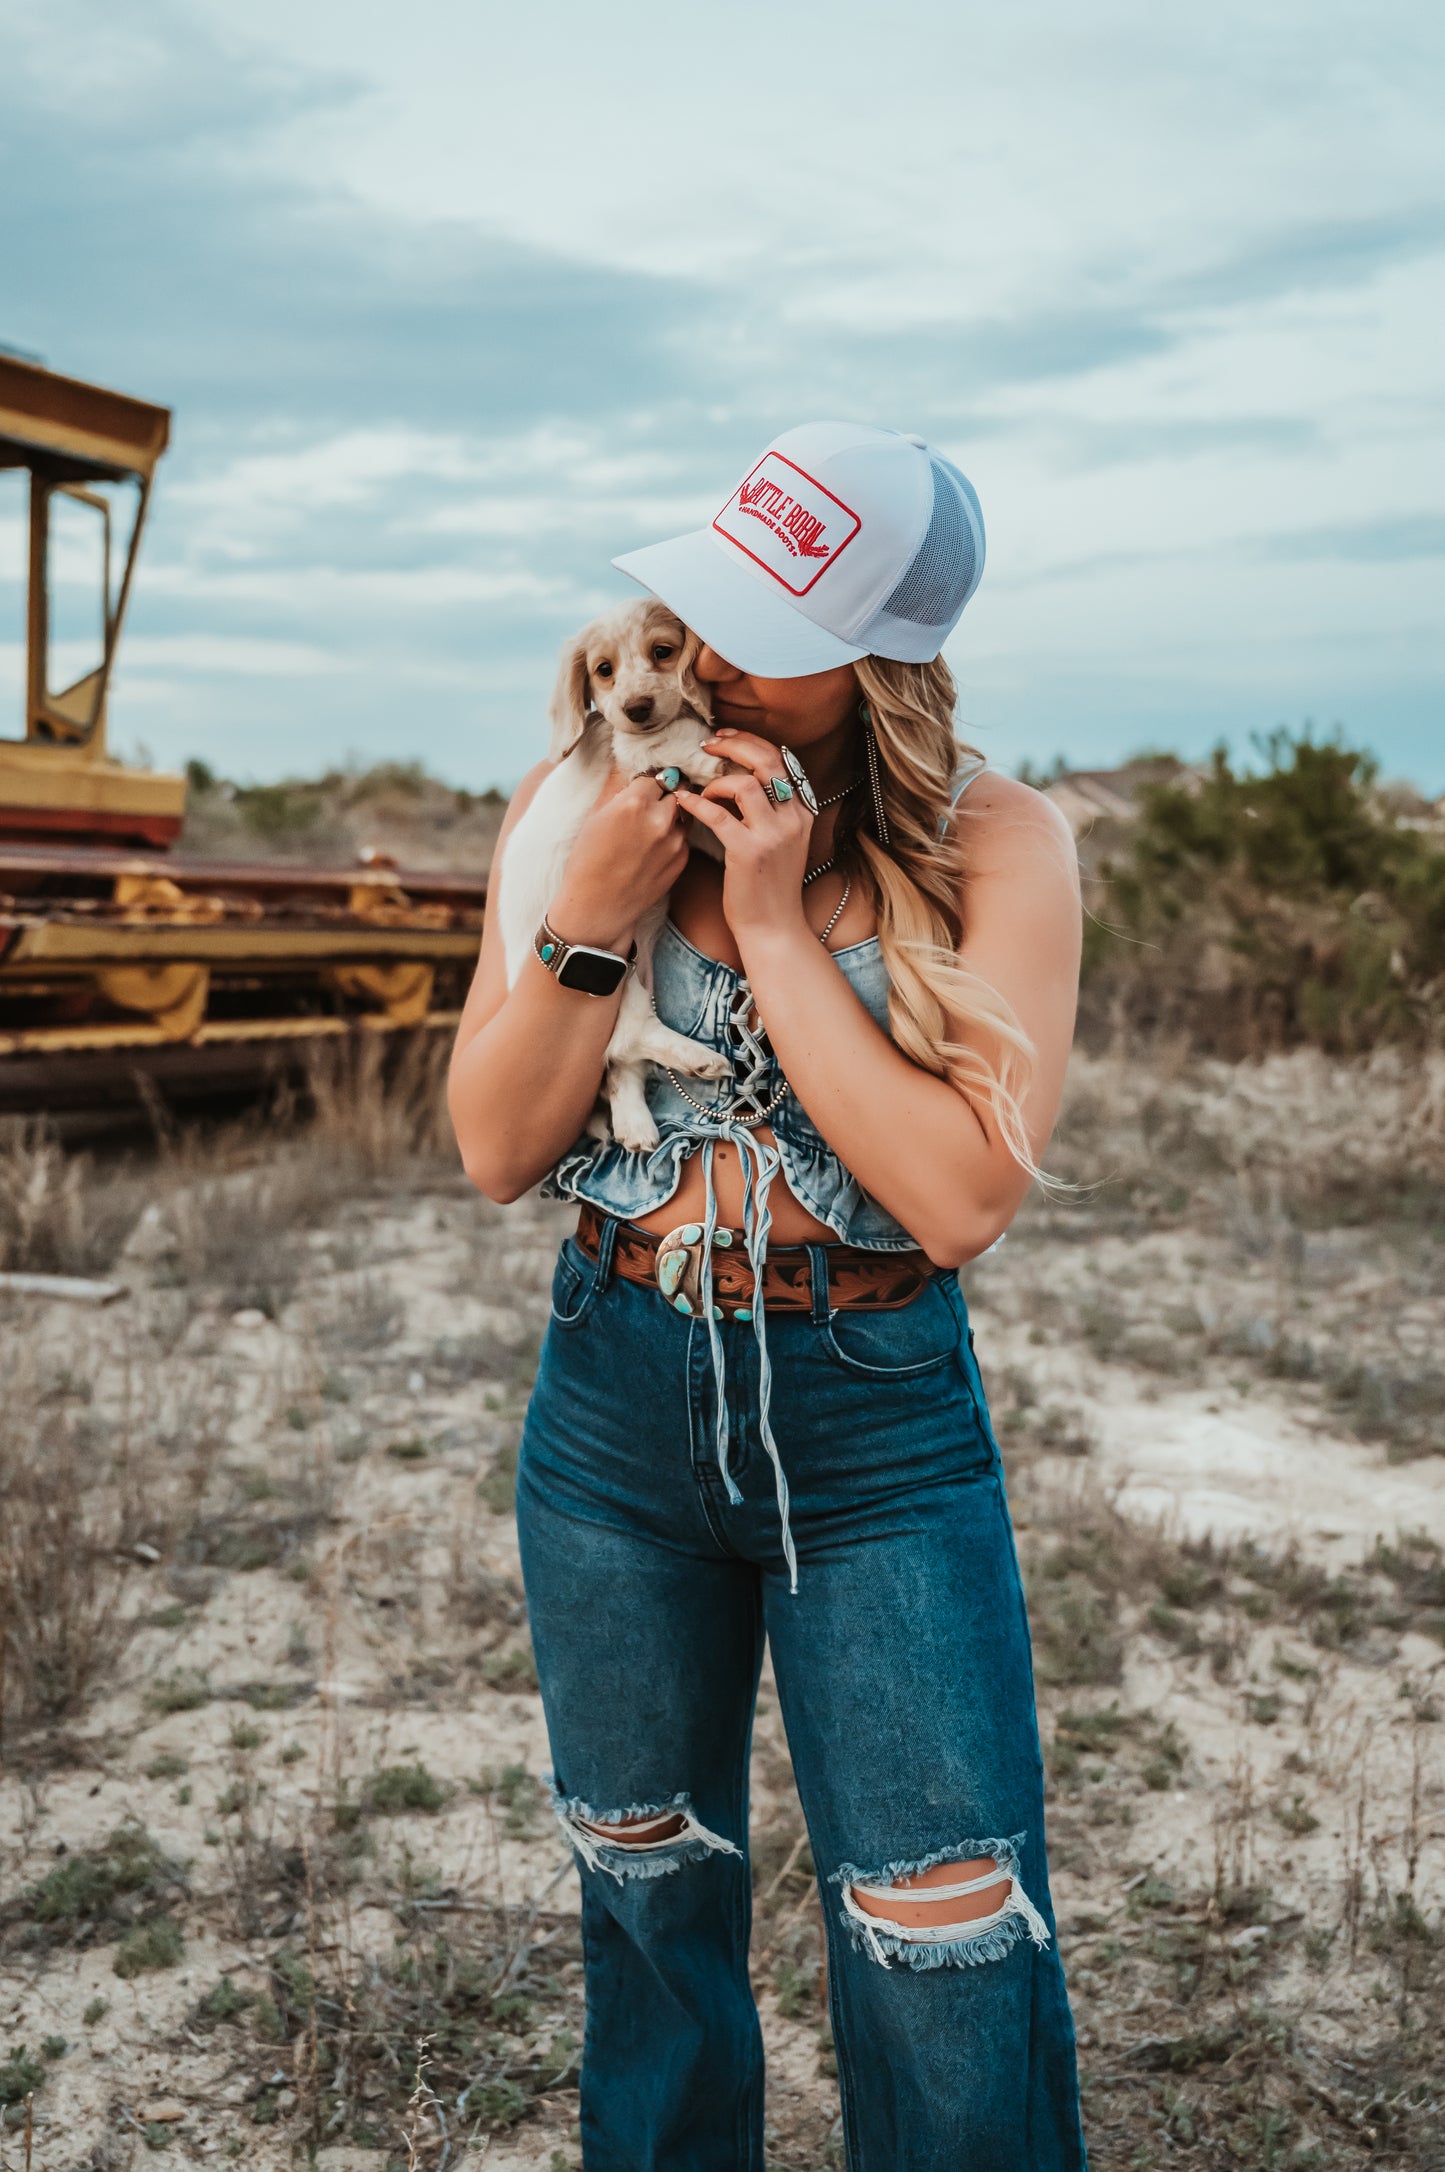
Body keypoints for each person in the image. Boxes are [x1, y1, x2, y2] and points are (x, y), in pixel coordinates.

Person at [449, 422, 1087, 2171]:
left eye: (759, 629)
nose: (700, 661)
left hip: (867, 1412)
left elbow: (957, 1198)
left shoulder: (995, 842)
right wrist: (591, 913)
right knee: (646, 1896)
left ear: (880, 660)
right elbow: (496, 1147)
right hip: (614, 1396)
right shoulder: (572, 805)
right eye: (697, 606)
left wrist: (779, 924)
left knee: (943, 1940)